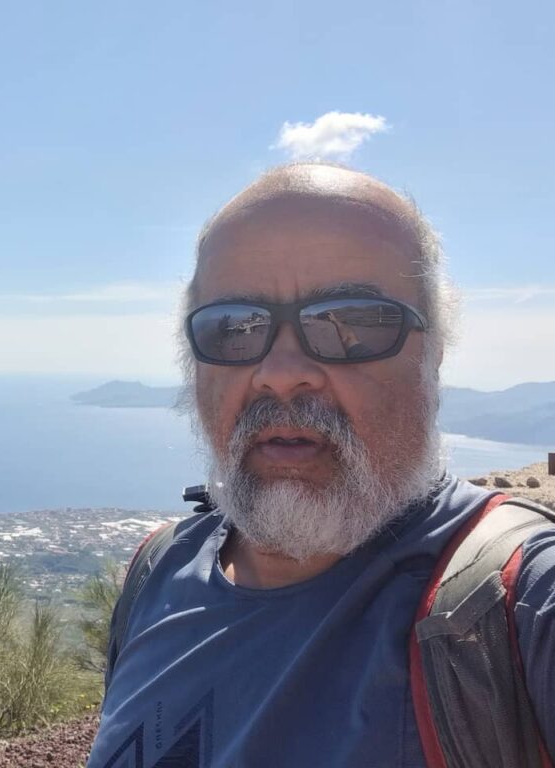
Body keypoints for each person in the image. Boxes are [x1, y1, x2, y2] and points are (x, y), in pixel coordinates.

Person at [86, 163, 555, 767]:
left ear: (434, 354)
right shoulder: (156, 573)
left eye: (353, 324)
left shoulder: (519, 602)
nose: (281, 372)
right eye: (234, 327)